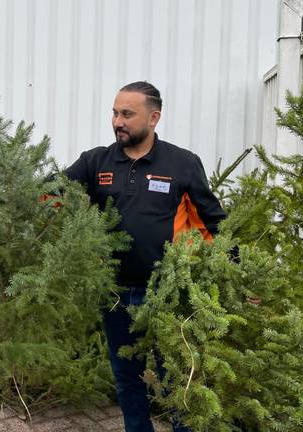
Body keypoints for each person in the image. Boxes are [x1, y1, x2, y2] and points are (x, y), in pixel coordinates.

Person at [65, 81, 225, 432]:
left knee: (176, 380)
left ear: (154, 117)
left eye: (127, 114)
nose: (117, 121)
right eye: (114, 112)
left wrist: (238, 273)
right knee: (128, 379)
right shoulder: (96, 162)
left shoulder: (181, 164)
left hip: (168, 293)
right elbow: (52, 195)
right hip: (115, 294)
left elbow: (212, 223)